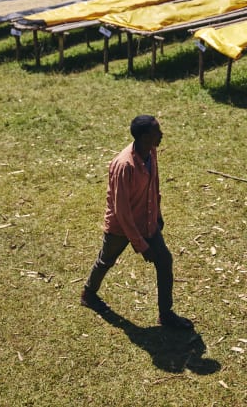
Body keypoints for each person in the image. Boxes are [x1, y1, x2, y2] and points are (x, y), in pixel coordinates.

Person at [81, 114, 193, 329]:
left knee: (164, 261)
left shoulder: (151, 151)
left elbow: (154, 185)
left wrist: (157, 216)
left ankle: (166, 314)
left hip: (147, 221)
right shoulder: (125, 165)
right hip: (120, 228)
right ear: (143, 137)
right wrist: (141, 245)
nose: (161, 135)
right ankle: (88, 293)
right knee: (106, 260)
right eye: (156, 132)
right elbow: (122, 212)